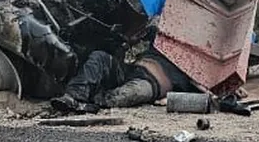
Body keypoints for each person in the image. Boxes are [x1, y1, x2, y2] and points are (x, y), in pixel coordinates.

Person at [51, 43, 195, 112]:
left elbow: (201, 91)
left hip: (150, 84)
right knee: (99, 57)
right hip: (131, 70)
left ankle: (91, 104)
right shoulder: (163, 37)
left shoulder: (196, 65)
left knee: (124, 95)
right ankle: (73, 97)